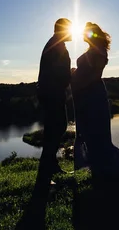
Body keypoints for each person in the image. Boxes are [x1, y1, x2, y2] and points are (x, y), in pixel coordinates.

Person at [71, 22, 119, 179]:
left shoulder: (99, 51)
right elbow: (87, 71)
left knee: (97, 131)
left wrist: (78, 82)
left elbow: (95, 74)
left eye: (85, 32)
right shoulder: (92, 49)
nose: (82, 35)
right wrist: (75, 74)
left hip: (92, 94)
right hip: (84, 94)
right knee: (87, 130)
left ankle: (106, 168)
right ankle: (94, 168)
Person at [35, 17, 72, 180]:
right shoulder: (57, 46)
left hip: (51, 93)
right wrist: (72, 75)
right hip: (52, 94)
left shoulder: (56, 44)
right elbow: (59, 74)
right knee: (54, 130)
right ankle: (46, 172)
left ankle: (51, 165)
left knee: (57, 128)